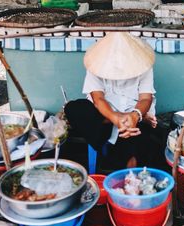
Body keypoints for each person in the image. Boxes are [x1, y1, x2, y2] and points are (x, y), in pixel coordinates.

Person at [65, 32, 157, 168]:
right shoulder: (95, 65)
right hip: (105, 113)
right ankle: (129, 122)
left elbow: (145, 98)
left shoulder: (143, 66)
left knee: (138, 140)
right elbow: (98, 99)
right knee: (73, 108)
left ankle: (129, 166)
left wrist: (136, 115)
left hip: (134, 110)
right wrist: (115, 118)